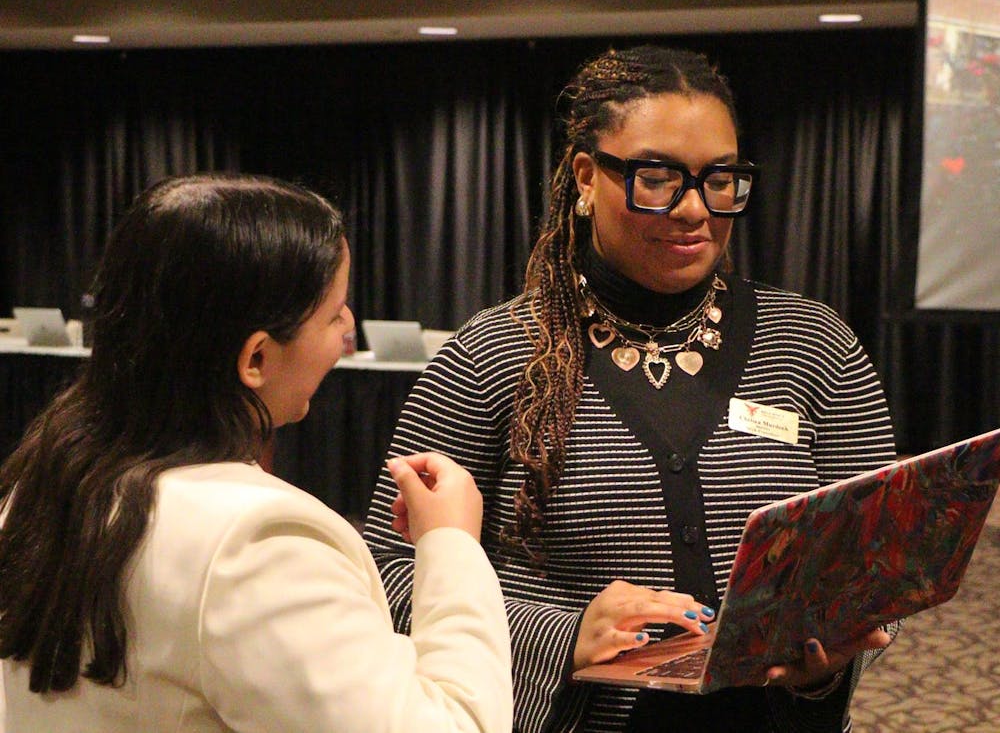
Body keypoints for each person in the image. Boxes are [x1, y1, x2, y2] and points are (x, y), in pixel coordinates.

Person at [363, 45, 897, 733]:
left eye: (721, 179)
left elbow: (885, 561)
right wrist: (568, 634)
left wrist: (828, 661)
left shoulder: (815, 346)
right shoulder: (491, 357)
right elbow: (390, 576)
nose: (694, 210)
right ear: (586, 177)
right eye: (658, 178)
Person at [0, 174, 512, 732]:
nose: (346, 330)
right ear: (257, 360)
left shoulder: (39, 486)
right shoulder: (259, 543)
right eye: (333, 313)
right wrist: (453, 546)